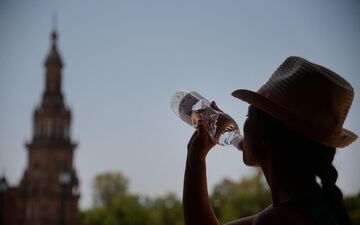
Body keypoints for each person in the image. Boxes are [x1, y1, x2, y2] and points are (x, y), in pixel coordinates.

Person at [183, 56, 357, 225]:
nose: (241, 126)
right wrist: (196, 154)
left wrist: (195, 156)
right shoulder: (314, 205)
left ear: (265, 135)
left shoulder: (278, 220)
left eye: (248, 115)